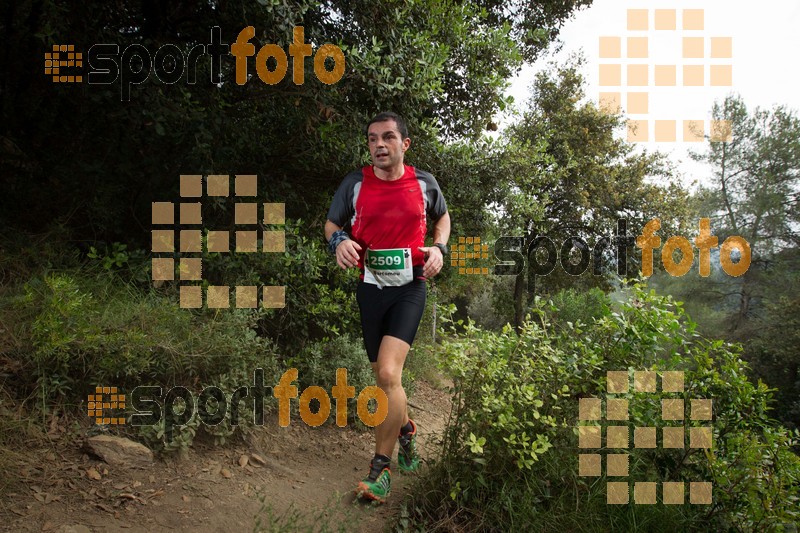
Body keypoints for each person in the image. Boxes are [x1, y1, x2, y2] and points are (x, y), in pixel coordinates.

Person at [324, 111, 451, 503]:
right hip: (371, 287)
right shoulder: (355, 184)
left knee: (389, 372)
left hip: (411, 286)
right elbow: (331, 224)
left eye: (389, 137)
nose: (380, 144)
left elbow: (443, 218)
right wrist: (339, 241)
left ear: (404, 144)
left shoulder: (425, 184)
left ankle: (380, 471)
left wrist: (440, 248)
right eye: (373, 138)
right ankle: (407, 428)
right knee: (383, 376)